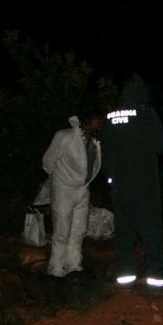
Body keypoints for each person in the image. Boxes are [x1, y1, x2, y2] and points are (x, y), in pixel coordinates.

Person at [100, 74, 163, 289]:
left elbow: (105, 150)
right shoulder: (146, 113)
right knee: (151, 230)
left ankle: (125, 274)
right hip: (145, 184)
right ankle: (156, 277)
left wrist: (111, 174)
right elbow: (161, 146)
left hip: (120, 185)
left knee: (124, 230)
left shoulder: (110, 117)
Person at [40, 109, 103, 277]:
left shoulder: (94, 141)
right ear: (88, 121)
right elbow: (48, 161)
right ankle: (56, 268)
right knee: (61, 229)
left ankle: (73, 264)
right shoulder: (65, 136)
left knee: (79, 229)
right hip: (63, 189)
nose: (99, 124)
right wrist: (60, 179)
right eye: (97, 121)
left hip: (83, 189)